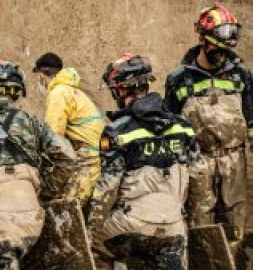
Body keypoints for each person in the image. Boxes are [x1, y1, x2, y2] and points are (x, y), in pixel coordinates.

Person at [0, 59, 77, 270]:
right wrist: (45, 190)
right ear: (17, 92)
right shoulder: (34, 122)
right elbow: (68, 157)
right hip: (32, 214)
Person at [87, 54, 200, 269]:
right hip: (173, 227)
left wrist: (91, 229)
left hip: (131, 225)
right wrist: (189, 222)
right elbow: (199, 179)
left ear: (120, 89)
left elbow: (107, 189)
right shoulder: (183, 126)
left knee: (94, 248)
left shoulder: (116, 131)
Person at [164, 4, 253, 254]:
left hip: (234, 160)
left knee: (235, 220)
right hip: (198, 160)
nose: (223, 52)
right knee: (200, 221)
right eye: (218, 45)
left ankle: (234, 262)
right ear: (202, 39)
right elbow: (171, 125)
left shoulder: (241, 75)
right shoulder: (179, 78)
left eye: (227, 48)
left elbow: (252, 117)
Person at [33, 53, 105, 209]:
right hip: (93, 159)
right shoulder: (72, 91)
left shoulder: (59, 93)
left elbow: (53, 136)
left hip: (85, 163)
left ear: (43, 74)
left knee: (63, 211)